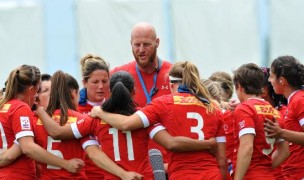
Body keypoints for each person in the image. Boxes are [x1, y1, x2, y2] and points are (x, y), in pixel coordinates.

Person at [35, 70, 217, 179]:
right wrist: (207, 143)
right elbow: (171, 143)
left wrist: (39, 110)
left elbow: (57, 132)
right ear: (134, 91)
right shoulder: (144, 118)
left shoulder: (94, 120)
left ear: (110, 91)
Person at [90, 61, 227, 179]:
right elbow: (222, 161)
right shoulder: (213, 107)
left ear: (172, 83)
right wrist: (207, 144)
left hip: (182, 175)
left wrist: (100, 112)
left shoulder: (162, 104)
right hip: (211, 173)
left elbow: (126, 124)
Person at [0, 65, 84, 179]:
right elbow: (28, 148)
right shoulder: (21, 108)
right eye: (38, 90)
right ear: (31, 89)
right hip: (17, 175)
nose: (37, 96)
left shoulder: (3, 106)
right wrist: (65, 163)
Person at [110, 22, 172, 168]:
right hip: (135, 166)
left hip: (170, 162)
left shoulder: (175, 74)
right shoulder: (118, 75)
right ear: (130, 44)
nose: (141, 50)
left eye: (147, 44)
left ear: (157, 42)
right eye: (137, 45)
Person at [232, 63, 289, 180]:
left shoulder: (244, 108)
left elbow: (247, 147)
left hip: (250, 175)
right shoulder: (274, 111)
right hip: (268, 175)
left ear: (239, 86)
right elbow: (284, 151)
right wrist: (264, 168)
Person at [264, 55, 304, 179]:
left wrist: (280, 133)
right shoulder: (293, 101)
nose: (269, 81)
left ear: (282, 80)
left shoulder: (299, 100)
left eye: (271, 76)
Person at [78, 54, 110, 179]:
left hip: (112, 174)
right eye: (95, 82)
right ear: (84, 82)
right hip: (87, 175)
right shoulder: (76, 109)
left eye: (105, 81)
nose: (101, 86)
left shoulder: (115, 107)